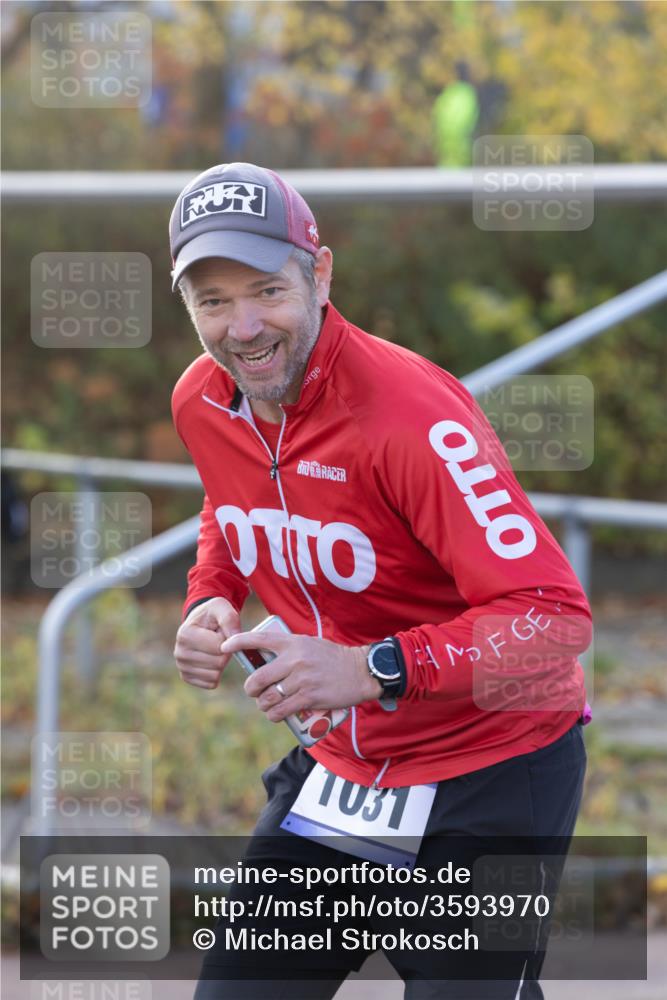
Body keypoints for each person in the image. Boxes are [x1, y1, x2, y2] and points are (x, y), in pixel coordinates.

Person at [170, 162, 591, 999]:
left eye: (266, 290)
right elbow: (231, 502)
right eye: (212, 301)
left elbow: (553, 619)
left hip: (490, 772)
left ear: (319, 273)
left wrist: (372, 668)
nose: (243, 327)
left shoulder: (409, 418)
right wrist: (212, 591)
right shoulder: (203, 399)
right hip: (342, 773)